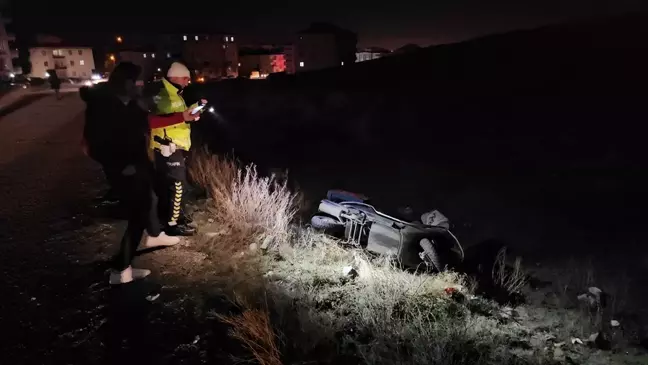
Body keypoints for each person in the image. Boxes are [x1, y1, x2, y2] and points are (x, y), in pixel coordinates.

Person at [80, 62, 180, 285]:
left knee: (151, 199)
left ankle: (153, 236)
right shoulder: (102, 107)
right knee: (138, 216)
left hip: (139, 165)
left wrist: (179, 116)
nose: (141, 85)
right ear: (126, 82)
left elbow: (145, 124)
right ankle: (121, 269)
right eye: (137, 81)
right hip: (124, 171)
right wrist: (120, 166)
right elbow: (91, 145)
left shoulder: (130, 104)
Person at [146, 62, 206, 236]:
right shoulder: (164, 94)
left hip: (174, 147)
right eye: (186, 78)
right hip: (167, 147)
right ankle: (172, 225)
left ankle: (175, 217)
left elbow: (175, 117)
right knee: (177, 186)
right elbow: (152, 121)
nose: (188, 82)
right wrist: (183, 116)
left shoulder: (175, 93)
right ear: (176, 77)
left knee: (174, 185)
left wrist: (189, 115)